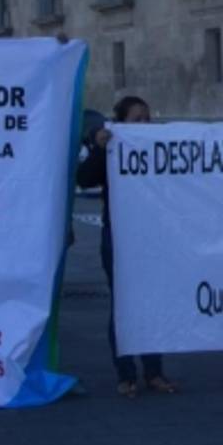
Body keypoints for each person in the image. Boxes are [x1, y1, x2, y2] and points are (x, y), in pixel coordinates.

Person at [76, 95, 178, 398]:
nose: (144, 125)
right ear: (120, 123)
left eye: (148, 118)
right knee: (123, 304)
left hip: (152, 237)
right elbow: (84, 179)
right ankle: (126, 374)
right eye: (137, 120)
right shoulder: (111, 147)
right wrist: (100, 147)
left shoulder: (159, 149)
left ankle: (154, 371)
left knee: (152, 303)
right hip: (118, 237)